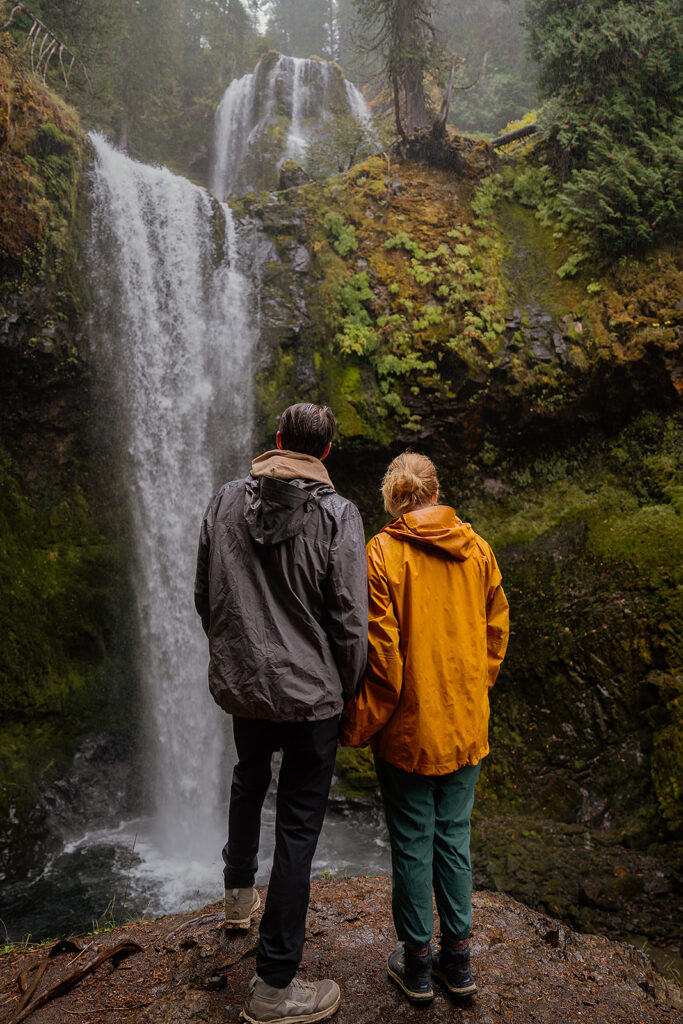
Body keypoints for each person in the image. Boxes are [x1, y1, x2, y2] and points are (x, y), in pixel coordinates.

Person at [194, 403, 368, 1024]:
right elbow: (350, 619)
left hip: (249, 687)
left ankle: (238, 900)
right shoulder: (339, 515)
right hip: (311, 694)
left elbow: (202, 591)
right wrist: (347, 694)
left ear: (276, 442)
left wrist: (236, 657)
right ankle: (273, 986)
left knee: (248, 778)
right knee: (298, 825)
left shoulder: (224, 500)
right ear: (325, 453)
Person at [340, 452, 509, 1003]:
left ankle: (416, 966)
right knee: (454, 839)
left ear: (393, 499)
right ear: (436, 491)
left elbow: (383, 661)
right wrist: (471, 689)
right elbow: (496, 632)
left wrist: (359, 725)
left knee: (413, 843)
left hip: (410, 727)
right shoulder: (477, 548)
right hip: (464, 723)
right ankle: (458, 962)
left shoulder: (382, 554)